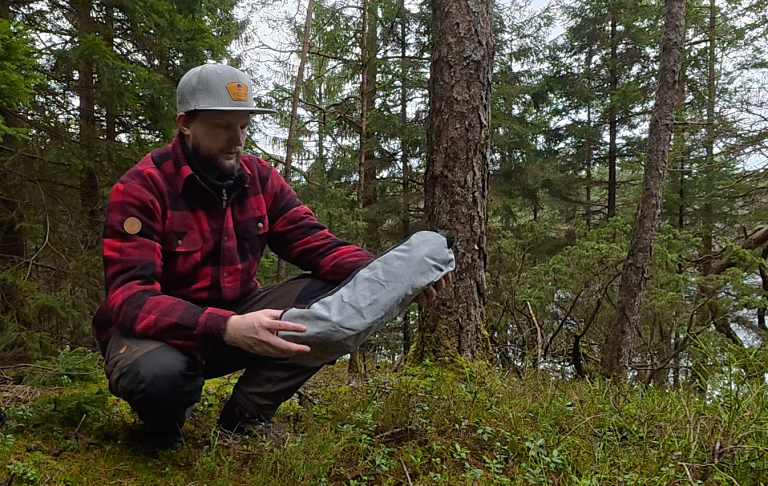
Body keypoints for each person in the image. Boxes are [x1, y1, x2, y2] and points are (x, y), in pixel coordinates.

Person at [91, 63, 448, 450]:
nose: (237, 140)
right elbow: (130, 298)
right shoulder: (142, 188)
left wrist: (393, 279)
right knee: (159, 378)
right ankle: (165, 424)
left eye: (243, 127)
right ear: (185, 123)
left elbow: (317, 244)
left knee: (340, 299)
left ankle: (246, 416)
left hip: (240, 320)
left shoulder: (259, 178)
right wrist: (226, 326)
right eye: (223, 127)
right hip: (162, 335)